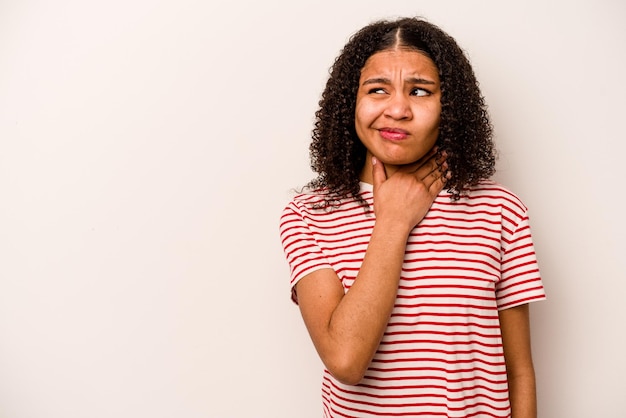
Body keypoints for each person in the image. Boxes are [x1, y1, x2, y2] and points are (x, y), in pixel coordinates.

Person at [279, 16, 545, 418]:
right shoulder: (309, 214)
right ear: (351, 102)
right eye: (377, 90)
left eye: (419, 91)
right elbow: (346, 360)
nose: (398, 109)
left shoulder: (499, 209)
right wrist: (393, 222)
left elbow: (518, 371)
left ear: (449, 107)